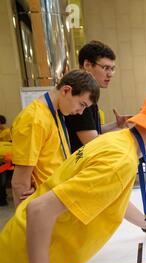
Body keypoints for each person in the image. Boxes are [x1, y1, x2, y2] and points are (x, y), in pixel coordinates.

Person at [0, 90, 146, 263]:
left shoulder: (118, 140)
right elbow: (40, 209)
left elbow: (110, 196)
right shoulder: (120, 161)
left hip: (21, 242)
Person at [11, 70, 99, 208]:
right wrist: (27, 221)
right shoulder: (34, 119)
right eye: (81, 104)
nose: (81, 112)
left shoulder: (56, 114)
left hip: (56, 199)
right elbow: (20, 182)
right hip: (44, 206)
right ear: (66, 90)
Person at [65, 40, 130, 154]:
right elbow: (92, 142)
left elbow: (93, 131)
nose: (110, 74)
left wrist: (116, 125)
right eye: (105, 68)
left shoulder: (89, 94)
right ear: (87, 65)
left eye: (112, 69)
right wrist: (128, 137)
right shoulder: (79, 96)